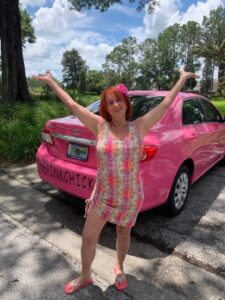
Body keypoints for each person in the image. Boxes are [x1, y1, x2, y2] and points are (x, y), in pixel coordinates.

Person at [33, 69, 198, 294]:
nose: (115, 105)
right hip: (102, 195)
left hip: (129, 196)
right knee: (89, 237)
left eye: (118, 100)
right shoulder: (100, 126)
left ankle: (119, 266)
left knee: (123, 233)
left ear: (125, 103)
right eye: (110, 103)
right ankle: (85, 275)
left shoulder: (139, 126)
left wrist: (183, 78)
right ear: (106, 108)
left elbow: (167, 102)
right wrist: (51, 81)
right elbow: (72, 105)